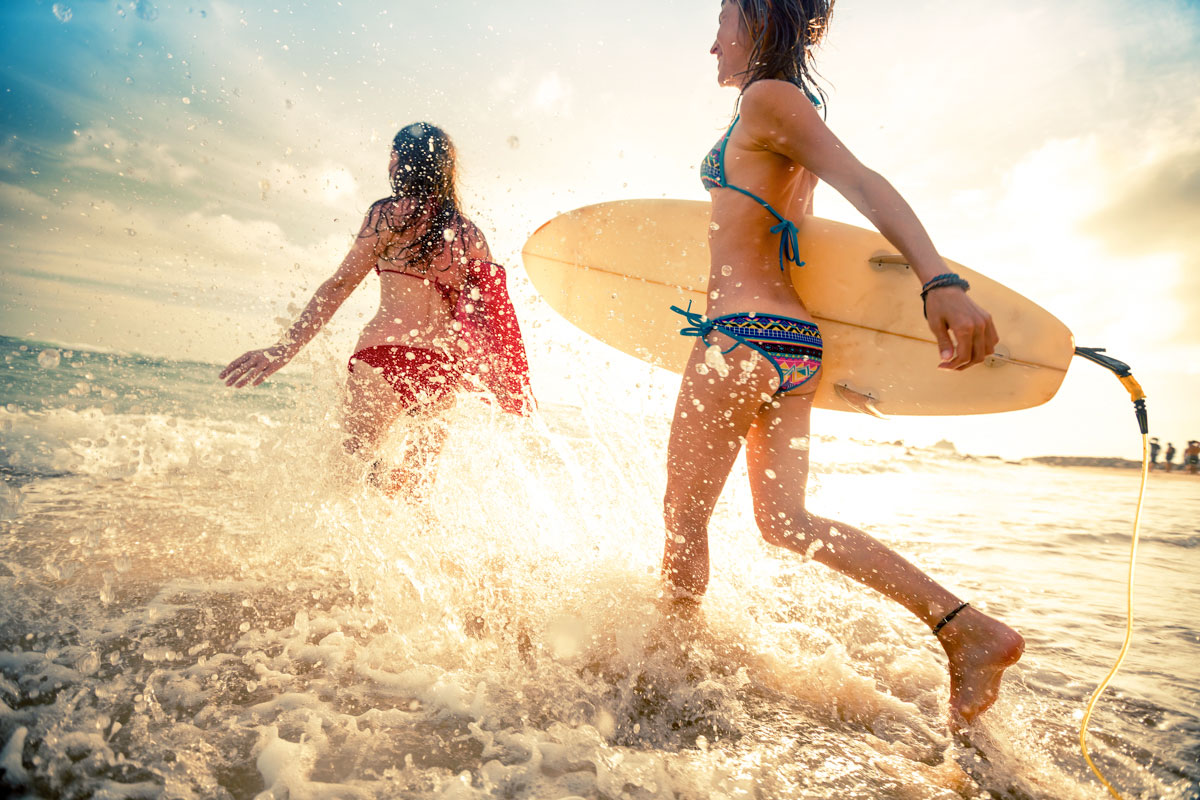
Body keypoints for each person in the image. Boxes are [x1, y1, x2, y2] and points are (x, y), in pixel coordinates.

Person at [661, 0, 1023, 724]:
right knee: (787, 521)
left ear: (760, 23)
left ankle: (665, 677)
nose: (711, 45)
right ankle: (966, 629)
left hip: (738, 336)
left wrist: (939, 281)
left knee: (682, 520)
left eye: (724, 21)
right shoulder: (780, 108)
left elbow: (864, 183)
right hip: (794, 345)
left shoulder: (769, 98)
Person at [220, 123, 534, 494]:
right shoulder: (471, 236)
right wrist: (509, 388)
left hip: (382, 358)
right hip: (438, 371)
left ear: (401, 160)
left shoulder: (387, 216)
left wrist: (283, 348)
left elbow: (338, 286)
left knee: (348, 478)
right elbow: (491, 317)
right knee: (417, 494)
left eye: (393, 153)